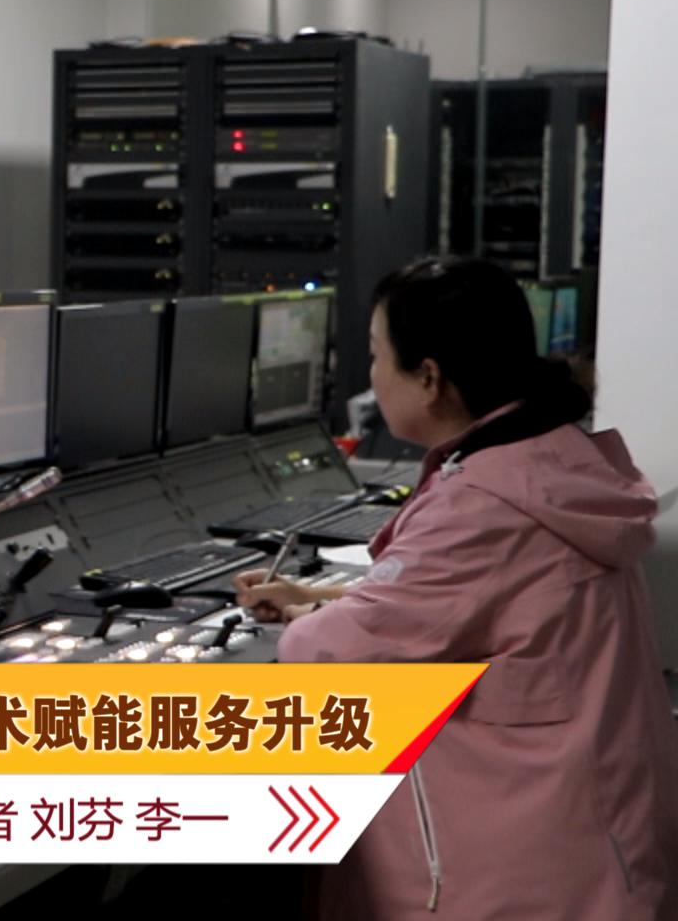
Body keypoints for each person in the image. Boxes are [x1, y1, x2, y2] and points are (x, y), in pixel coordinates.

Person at [234, 256, 678, 920]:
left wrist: (308, 622)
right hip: (596, 844)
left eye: (376, 356)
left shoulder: (483, 505)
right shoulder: (551, 458)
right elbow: (484, 607)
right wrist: (325, 598)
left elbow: (333, 655)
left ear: (430, 378)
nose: (372, 376)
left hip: (526, 880)